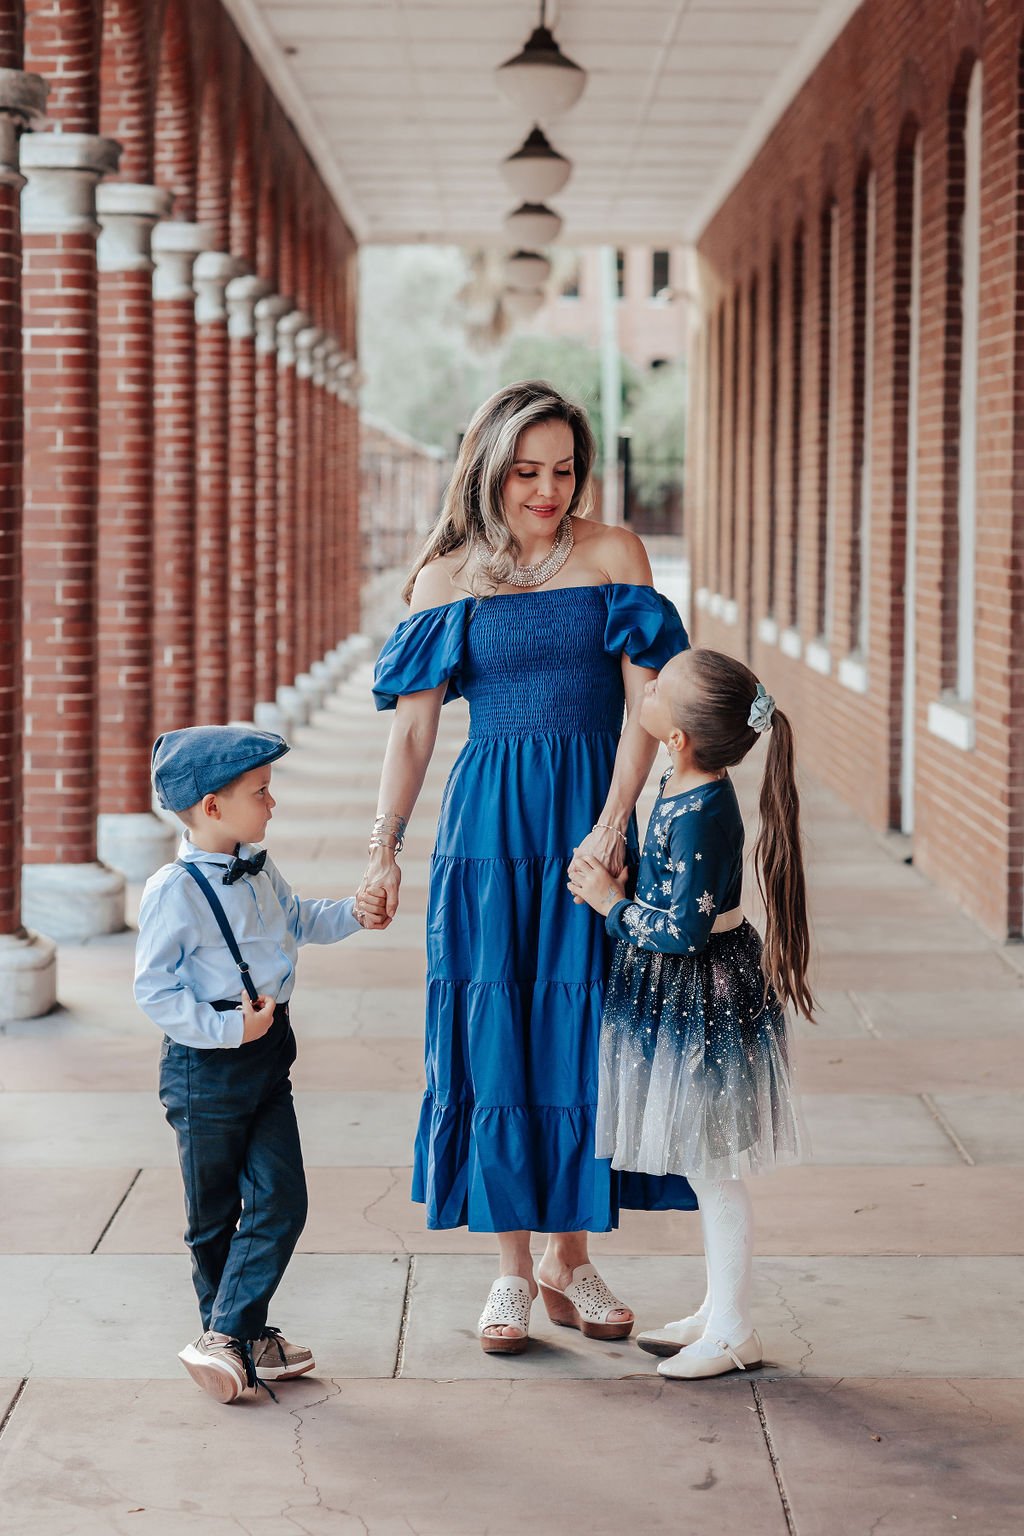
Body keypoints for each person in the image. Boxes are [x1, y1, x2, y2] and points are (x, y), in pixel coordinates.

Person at [359, 380, 697, 1355]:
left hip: (592, 823)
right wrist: (382, 851)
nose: (546, 491)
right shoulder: (446, 578)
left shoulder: (613, 555)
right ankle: (512, 1272)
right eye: (525, 473)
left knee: (587, 1031)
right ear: (487, 471)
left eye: (561, 471)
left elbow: (649, 705)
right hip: (487, 835)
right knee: (496, 1030)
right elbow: (414, 733)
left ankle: (571, 1255)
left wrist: (615, 824)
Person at [568, 648, 810, 1379]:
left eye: (658, 694)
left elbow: (680, 931)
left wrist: (611, 904)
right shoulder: (682, 778)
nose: (645, 692)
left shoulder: (704, 808)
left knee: (712, 1168)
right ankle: (717, 1307)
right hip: (682, 992)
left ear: (676, 738)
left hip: (700, 997)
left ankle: (734, 1329)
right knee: (706, 1164)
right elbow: (674, 889)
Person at [134, 725, 386, 1402]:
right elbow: (153, 988)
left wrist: (355, 913)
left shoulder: (259, 865)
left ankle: (229, 1334)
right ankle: (239, 1338)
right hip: (205, 1067)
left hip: (269, 1055)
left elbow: (296, 921)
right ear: (212, 807)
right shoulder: (172, 891)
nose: (271, 804)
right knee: (213, 1214)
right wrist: (224, 1028)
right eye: (260, 792)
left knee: (282, 1198)